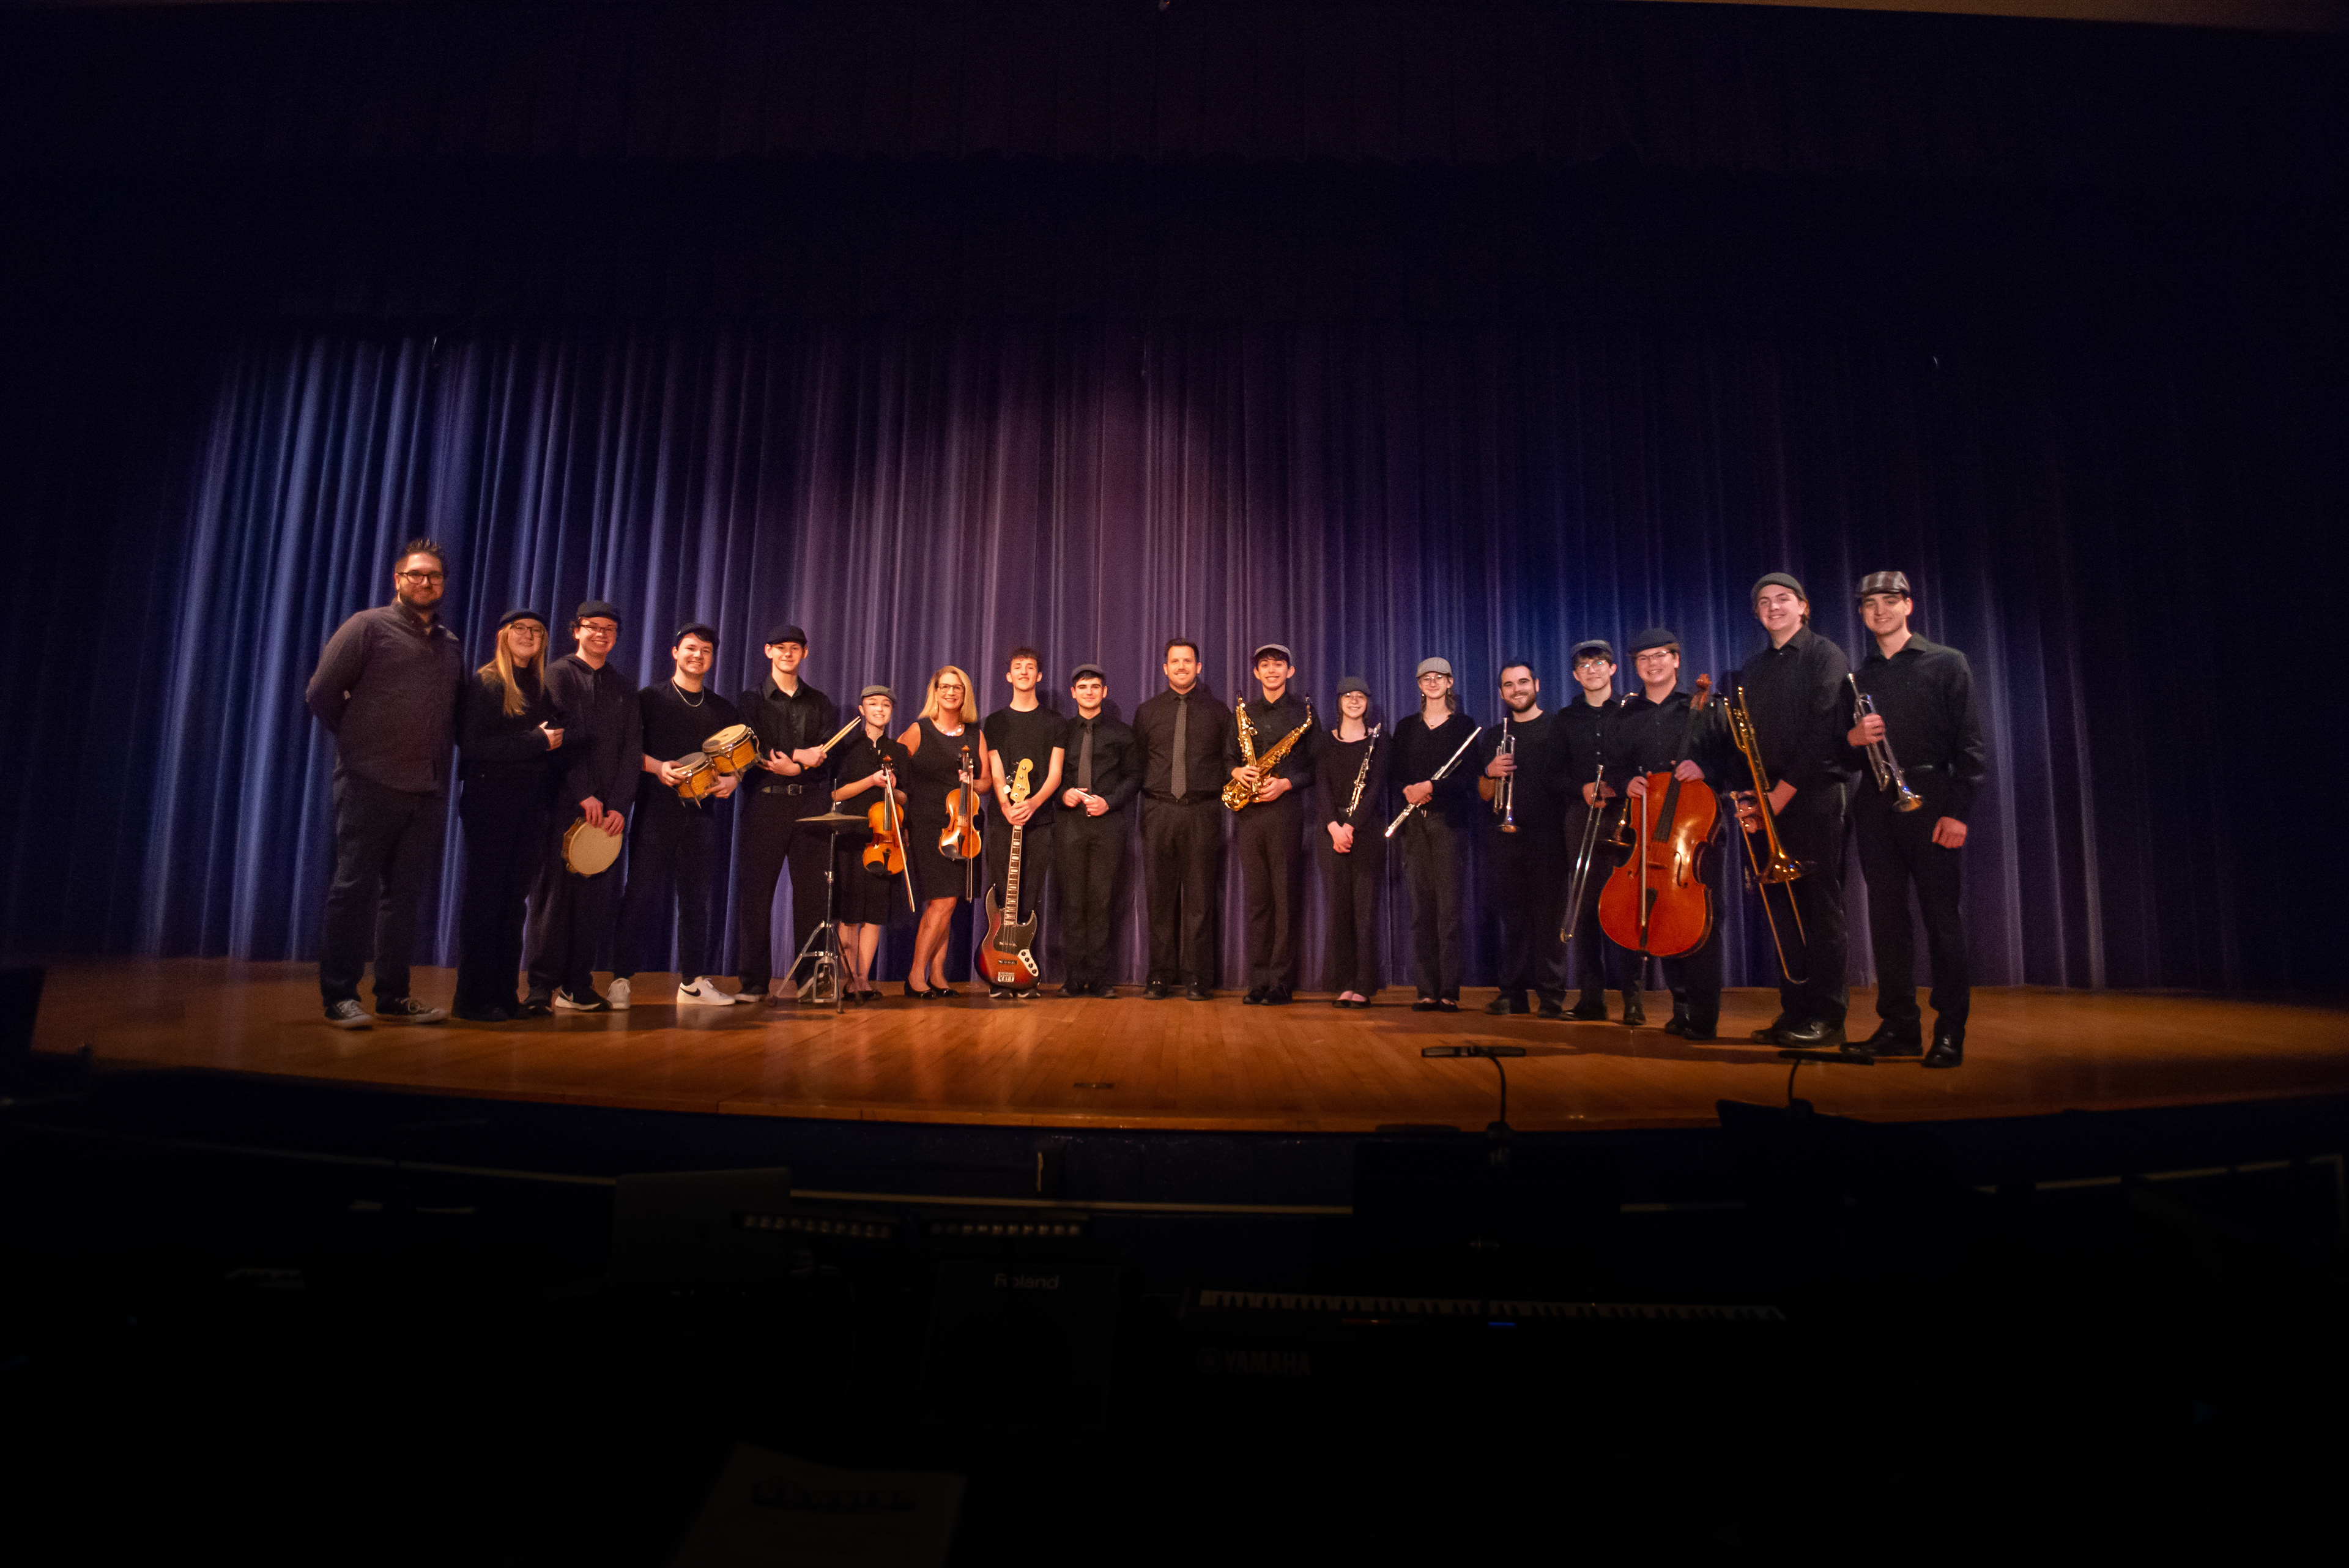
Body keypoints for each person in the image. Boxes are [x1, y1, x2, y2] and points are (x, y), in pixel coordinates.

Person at [303, 538, 467, 1028]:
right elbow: (321, 694)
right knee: (353, 890)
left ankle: (394, 994)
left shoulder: (450, 644)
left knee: (405, 896)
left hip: (427, 788)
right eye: (416, 574)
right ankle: (339, 996)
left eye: (434, 576)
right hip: (369, 781)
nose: (426, 582)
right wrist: (361, 744)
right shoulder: (367, 626)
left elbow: (452, 715)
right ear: (398, 580)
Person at [1842, 571, 1986, 1068]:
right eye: (1869, 604)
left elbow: (1970, 746)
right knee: (1886, 921)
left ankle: (1950, 1030)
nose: (1878, 611)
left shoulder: (1946, 663)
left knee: (1942, 919)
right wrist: (1853, 740)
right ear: (1860, 613)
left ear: (1909, 604)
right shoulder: (1859, 678)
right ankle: (1899, 1026)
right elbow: (1847, 757)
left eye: (1888, 601)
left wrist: (1958, 812)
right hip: (1877, 805)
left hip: (1933, 796)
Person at [1732, 573, 1854, 1051]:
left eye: (1782, 599)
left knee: (1820, 910)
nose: (1773, 607)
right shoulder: (1754, 668)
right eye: (1764, 601)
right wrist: (1747, 793)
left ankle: (1829, 1016)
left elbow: (1824, 727)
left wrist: (1781, 793)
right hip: (1767, 801)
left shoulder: (1826, 654)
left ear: (1803, 606)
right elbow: (1746, 742)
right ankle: (1796, 1010)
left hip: (1813, 795)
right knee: (1782, 909)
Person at [612, 623, 750, 1010]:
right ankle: (621, 979)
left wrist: (733, 781)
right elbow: (627, 751)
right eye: (690, 649)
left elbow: (736, 761)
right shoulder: (650, 699)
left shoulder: (722, 708)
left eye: (706, 651)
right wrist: (658, 768)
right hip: (656, 811)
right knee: (639, 895)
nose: (698, 656)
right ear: (675, 652)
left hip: (702, 815)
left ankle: (692, 982)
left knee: (696, 901)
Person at [525, 600, 642, 1013]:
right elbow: (557, 739)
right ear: (577, 630)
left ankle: (578, 983)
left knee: (595, 902)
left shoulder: (624, 687)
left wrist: (619, 805)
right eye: (593, 627)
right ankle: (541, 988)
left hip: (608, 815)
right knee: (553, 899)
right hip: (563, 805)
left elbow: (632, 751)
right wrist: (584, 793)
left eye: (610, 628)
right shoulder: (556, 675)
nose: (602, 634)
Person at [1612, 628, 1728, 1037]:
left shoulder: (1707, 707)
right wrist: (1628, 780)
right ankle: (1680, 1008)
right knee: (1659, 917)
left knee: (1700, 920)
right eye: (1643, 659)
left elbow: (1732, 760)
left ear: (1676, 660)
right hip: (1651, 833)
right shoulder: (1626, 715)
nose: (1652, 663)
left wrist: (1706, 771)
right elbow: (1614, 765)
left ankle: (1704, 1014)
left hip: (1696, 833)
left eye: (1660, 655)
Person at [452, 608, 563, 1022]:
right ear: (503, 634)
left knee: (513, 902)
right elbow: (474, 744)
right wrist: (536, 741)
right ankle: (472, 999)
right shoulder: (487, 682)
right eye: (521, 628)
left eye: (537, 630)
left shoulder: (539, 687)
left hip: (529, 804)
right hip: (490, 801)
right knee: (486, 900)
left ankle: (503, 994)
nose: (529, 635)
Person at [735, 624, 839, 1003]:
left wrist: (802, 767)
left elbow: (825, 757)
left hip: (809, 802)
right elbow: (752, 747)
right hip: (765, 800)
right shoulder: (751, 701)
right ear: (767, 651)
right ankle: (754, 982)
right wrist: (798, 757)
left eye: (794, 648)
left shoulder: (820, 702)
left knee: (811, 895)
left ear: (805, 654)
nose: (787, 654)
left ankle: (812, 979)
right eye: (780, 648)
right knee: (756, 894)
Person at [1130, 639, 1231, 1001]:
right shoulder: (1147, 712)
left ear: (1199, 667)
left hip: (1203, 810)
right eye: (1175, 661)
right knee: (1159, 898)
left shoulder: (1219, 713)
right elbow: (1138, 763)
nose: (1182, 667)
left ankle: (1198, 978)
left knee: (1201, 899)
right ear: (1165, 668)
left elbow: (1227, 761)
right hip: (1158, 811)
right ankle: (1159, 976)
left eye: (1188, 661)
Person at [1474, 660, 1572, 1016]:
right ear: (1502, 693)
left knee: (1550, 921)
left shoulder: (1557, 728)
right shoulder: (1493, 736)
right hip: (1505, 838)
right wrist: (1489, 771)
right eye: (1509, 685)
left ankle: (1551, 996)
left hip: (1550, 838)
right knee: (1512, 920)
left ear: (1537, 685)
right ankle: (1511, 993)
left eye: (1523, 682)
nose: (1517, 689)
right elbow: (1485, 794)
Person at [1225, 642, 1318, 1005]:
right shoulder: (1242, 712)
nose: (1272, 670)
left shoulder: (1304, 713)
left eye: (1278, 664)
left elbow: (1316, 768)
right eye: (1265, 665)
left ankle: (1280, 983)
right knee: (1257, 902)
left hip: (1286, 813)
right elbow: (1226, 758)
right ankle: (1259, 980)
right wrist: (1235, 770)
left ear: (1290, 671)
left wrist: (1286, 783)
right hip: (1248, 813)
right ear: (1256, 673)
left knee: (1285, 900)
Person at [897, 666, 992, 997]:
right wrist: (900, 819)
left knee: (949, 905)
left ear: (965, 695)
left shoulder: (974, 734)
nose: (951, 693)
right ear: (934, 692)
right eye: (945, 687)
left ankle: (937, 975)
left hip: (963, 825)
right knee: (942, 901)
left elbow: (987, 782)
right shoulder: (919, 730)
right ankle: (914, 977)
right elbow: (894, 771)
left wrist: (972, 783)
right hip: (925, 825)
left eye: (958, 688)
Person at [1392, 657, 1480, 1012]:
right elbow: (1396, 774)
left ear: (1450, 682)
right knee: (1420, 911)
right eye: (1425, 678)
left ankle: (1449, 992)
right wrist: (1409, 790)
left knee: (1449, 912)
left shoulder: (1464, 726)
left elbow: (1470, 779)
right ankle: (1426, 990)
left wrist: (1432, 786)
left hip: (1448, 823)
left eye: (1439, 677)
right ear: (1418, 684)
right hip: (1414, 825)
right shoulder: (1406, 727)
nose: (1432, 683)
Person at [979, 647, 1066, 1000]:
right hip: (1003, 821)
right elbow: (996, 768)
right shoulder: (995, 722)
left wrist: (1032, 803)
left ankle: (1020, 969)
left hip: (1040, 819)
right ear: (1008, 676)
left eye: (1031, 667)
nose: (1025, 672)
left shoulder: (1055, 722)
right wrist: (1004, 804)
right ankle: (998, 971)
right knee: (1001, 892)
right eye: (1018, 667)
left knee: (1028, 894)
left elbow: (1056, 773)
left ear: (1039, 676)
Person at [1055, 664, 1138, 998]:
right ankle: (1075, 977)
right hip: (1070, 824)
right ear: (1073, 693)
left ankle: (1101, 978)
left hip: (1108, 825)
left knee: (1102, 902)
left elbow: (1135, 777)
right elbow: (1051, 775)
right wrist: (1063, 793)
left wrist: (1110, 802)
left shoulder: (1123, 733)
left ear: (1105, 693)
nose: (1089, 692)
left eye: (1095, 687)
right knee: (1074, 902)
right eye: (1083, 687)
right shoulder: (1061, 732)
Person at [830, 685, 912, 1005]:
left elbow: (906, 798)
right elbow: (835, 795)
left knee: (875, 914)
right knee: (850, 914)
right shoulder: (846, 748)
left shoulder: (899, 751)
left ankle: (863, 978)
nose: (880, 709)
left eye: (886, 705)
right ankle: (847, 978)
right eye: (873, 704)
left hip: (886, 838)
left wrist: (894, 786)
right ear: (862, 710)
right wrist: (870, 781)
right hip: (853, 836)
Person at [1557, 639, 1622, 1020]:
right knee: (1583, 907)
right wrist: (1580, 788)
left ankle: (1633, 999)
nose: (1592, 670)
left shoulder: (1630, 713)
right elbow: (1552, 773)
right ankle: (1592, 998)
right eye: (1584, 665)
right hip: (1581, 816)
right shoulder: (1566, 719)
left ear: (1612, 669)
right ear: (1575, 675)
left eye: (1600, 663)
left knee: (1632, 903)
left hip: (1625, 814)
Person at [1315, 676, 1389, 1008]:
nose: (1354, 701)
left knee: (1364, 911)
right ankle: (1344, 983)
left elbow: (1375, 790)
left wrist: (1351, 826)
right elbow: (1322, 788)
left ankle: (1364, 984)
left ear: (1368, 702)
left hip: (1366, 832)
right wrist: (1334, 826)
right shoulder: (1324, 741)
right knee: (1339, 910)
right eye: (1348, 696)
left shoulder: (1379, 740)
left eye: (1361, 696)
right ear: (1339, 701)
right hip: (1331, 833)